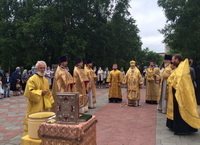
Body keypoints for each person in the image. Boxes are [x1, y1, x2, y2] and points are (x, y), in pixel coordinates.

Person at [166, 54, 200, 135]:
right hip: (178, 93)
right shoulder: (180, 68)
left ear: (177, 60)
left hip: (181, 95)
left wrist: (171, 81)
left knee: (182, 111)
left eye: (173, 59)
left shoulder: (182, 69)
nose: (172, 61)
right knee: (178, 111)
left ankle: (182, 129)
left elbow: (178, 81)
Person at [23, 61, 54, 136]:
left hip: (45, 106)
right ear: (37, 69)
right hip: (35, 106)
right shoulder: (32, 79)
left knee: (45, 121)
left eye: (44, 68)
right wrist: (40, 92)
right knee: (35, 123)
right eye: (41, 68)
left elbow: (48, 92)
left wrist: (51, 102)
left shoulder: (46, 80)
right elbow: (29, 92)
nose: (42, 70)